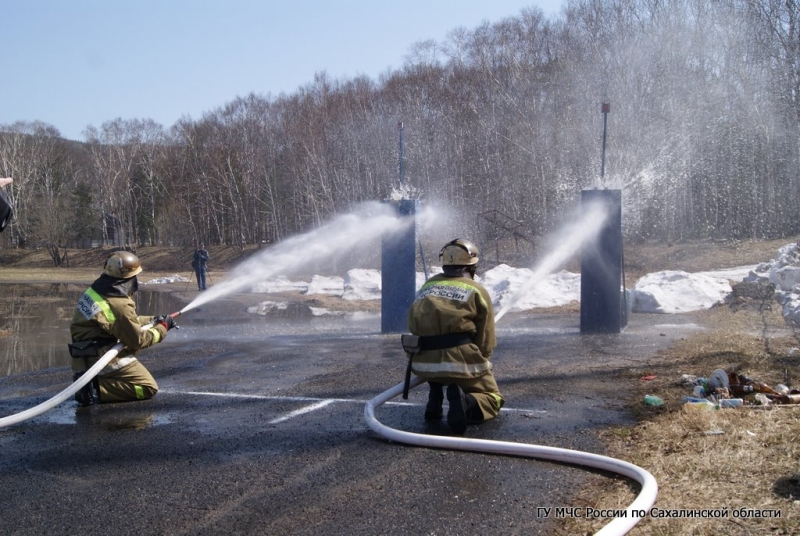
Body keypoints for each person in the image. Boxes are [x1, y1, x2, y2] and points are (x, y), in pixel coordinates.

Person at [406, 238, 505, 434]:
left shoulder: (428, 285)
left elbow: (414, 324)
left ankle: (434, 399)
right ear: (472, 266)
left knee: (440, 356)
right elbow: (486, 339)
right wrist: (480, 360)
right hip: (458, 362)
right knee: (492, 397)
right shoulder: (477, 290)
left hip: (421, 363)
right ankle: (467, 403)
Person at [69, 251, 177, 406]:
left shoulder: (97, 291)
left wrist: (154, 319)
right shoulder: (118, 303)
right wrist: (163, 328)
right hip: (103, 358)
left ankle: (93, 381)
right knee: (147, 388)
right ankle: (96, 387)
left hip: (84, 356)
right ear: (128, 278)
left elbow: (122, 322)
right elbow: (137, 340)